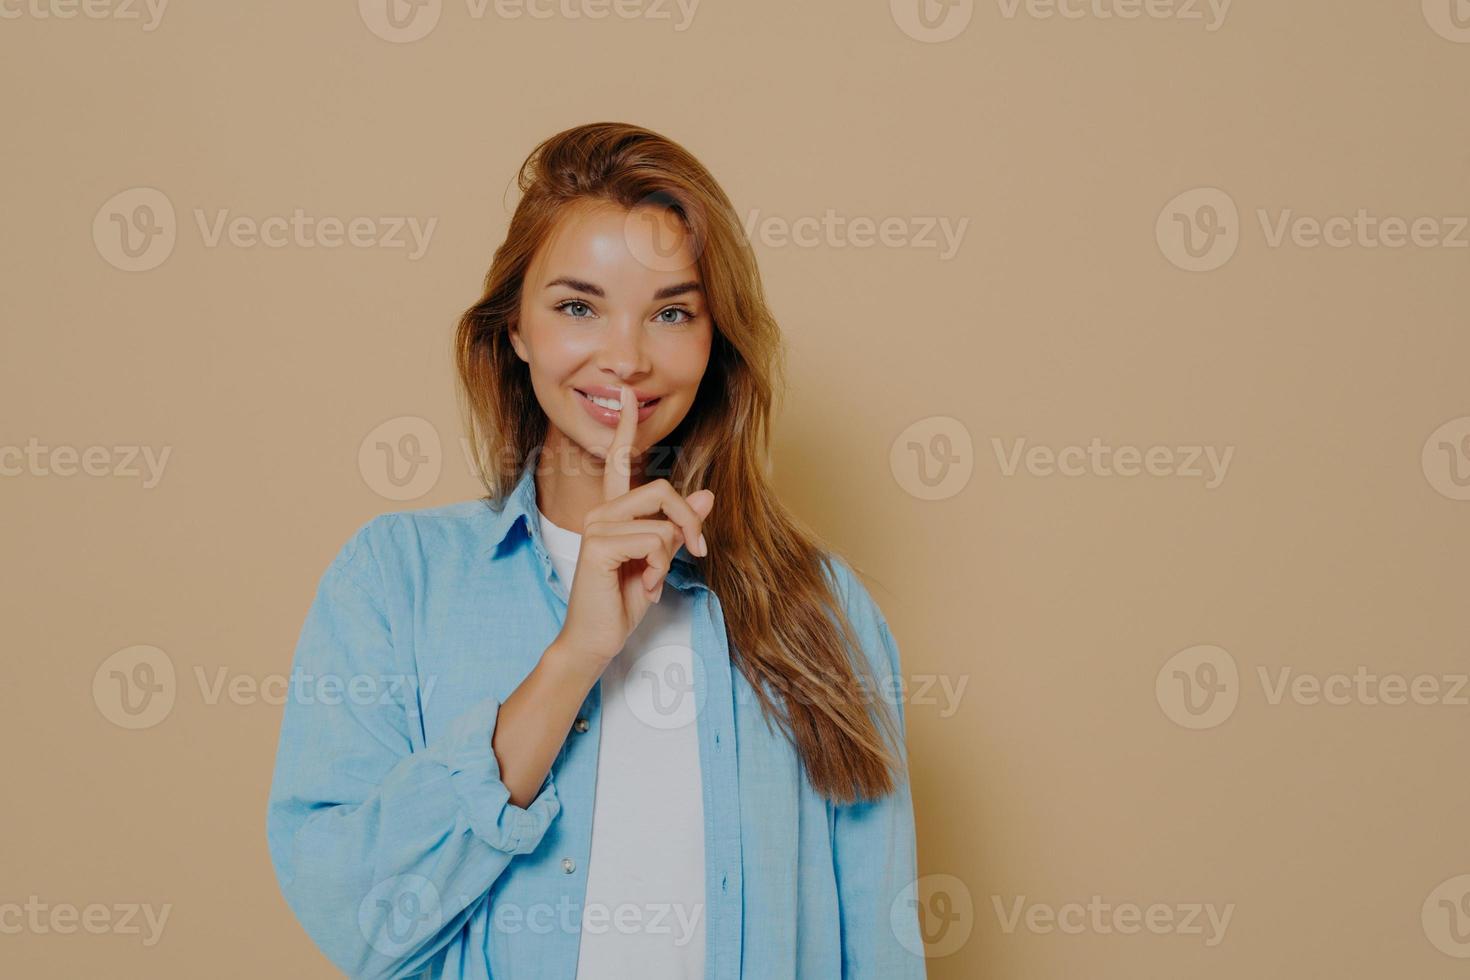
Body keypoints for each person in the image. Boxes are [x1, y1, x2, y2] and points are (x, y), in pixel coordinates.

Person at [265, 122, 927, 980]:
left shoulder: (825, 609)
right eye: (578, 306)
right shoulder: (396, 582)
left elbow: (879, 947)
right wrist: (576, 655)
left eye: (672, 312)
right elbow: (357, 919)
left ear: (713, 341)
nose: (626, 358)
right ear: (515, 329)